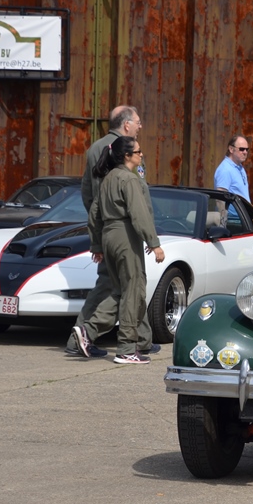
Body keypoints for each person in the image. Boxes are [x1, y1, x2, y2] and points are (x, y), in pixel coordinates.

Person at [65, 105, 157, 358]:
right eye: (138, 122)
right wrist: (151, 238)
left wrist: (100, 230)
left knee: (128, 287)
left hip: (109, 230)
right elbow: (135, 202)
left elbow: (89, 195)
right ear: (127, 124)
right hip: (124, 231)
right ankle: (86, 335)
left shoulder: (99, 149)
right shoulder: (121, 154)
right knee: (120, 287)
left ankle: (141, 340)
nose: (140, 127)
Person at [215, 134, 251, 203]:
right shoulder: (225, 170)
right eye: (241, 149)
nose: (245, 152)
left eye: (247, 149)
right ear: (231, 149)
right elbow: (220, 200)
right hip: (231, 211)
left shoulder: (239, 167)